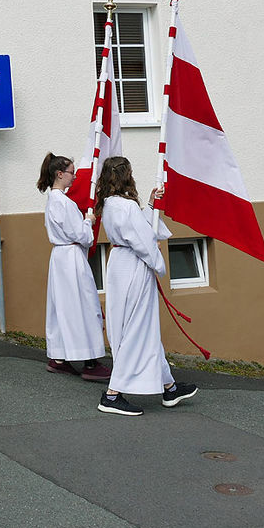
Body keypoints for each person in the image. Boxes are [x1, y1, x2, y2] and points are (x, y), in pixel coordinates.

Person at [95, 156, 198, 415]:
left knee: (138, 327)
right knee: (137, 328)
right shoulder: (125, 207)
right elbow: (142, 240)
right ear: (126, 176)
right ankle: (112, 394)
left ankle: (169, 387)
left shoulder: (110, 204)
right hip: (134, 266)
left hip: (119, 264)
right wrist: (158, 263)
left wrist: (151, 205)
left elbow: (138, 227)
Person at [37, 153, 110, 382]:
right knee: (83, 304)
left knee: (64, 306)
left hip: (61, 258)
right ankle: (89, 360)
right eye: (71, 173)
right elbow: (81, 236)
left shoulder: (54, 201)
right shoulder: (64, 203)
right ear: (60, 174)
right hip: (71, 257)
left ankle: (60, 358)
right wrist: (88, 221)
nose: (74, 177)